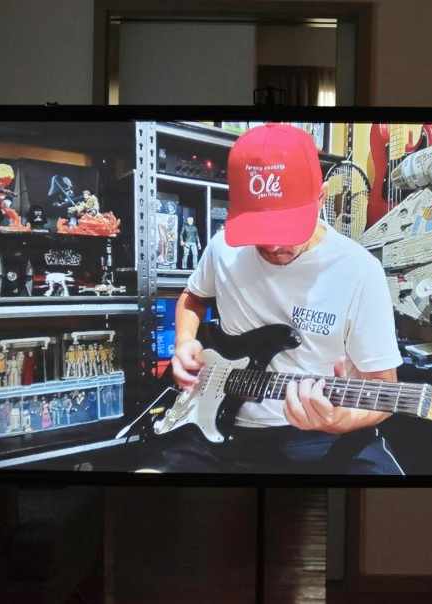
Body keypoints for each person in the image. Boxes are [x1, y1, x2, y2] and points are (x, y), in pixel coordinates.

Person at [166, 123, 404, 474]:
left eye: (288, 228)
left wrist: (342, 420)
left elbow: (384, 391)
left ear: (321, 197)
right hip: (220, 426)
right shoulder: (222, 249)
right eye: (261, 230)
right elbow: (193, 297)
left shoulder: (360, 270)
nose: (275, 245)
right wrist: (184, 341)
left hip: (324, 435)